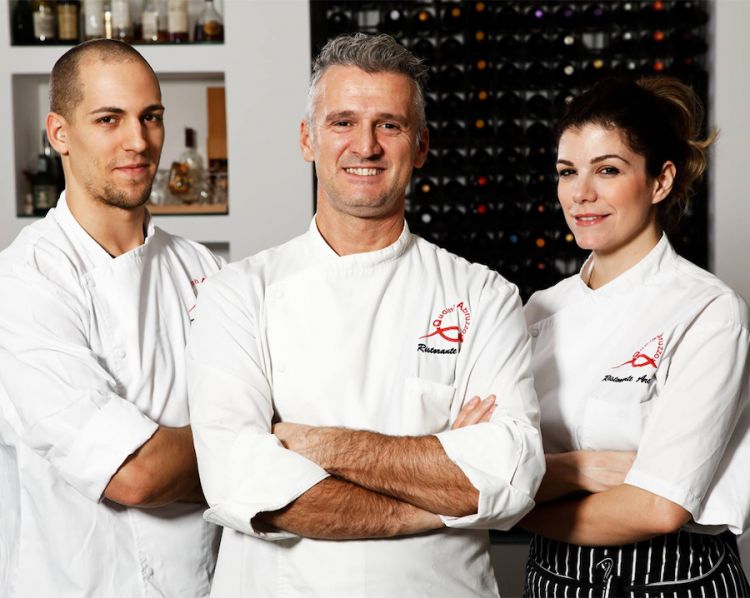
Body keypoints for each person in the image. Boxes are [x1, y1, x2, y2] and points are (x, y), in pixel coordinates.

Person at [186, 32, 544, 597]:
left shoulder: (483, 296)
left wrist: (317, 446)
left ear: (420, 145)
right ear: (308, 139)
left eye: (390, 125)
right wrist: (437, 497)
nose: (366, 146)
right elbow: (241, 481)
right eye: (343, 122)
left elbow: (509, 477)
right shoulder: (238, 294)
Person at [0, 40, 222, 597]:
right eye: (109, 119)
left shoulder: (207, 273)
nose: (139, 141)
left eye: (151, 117)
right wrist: (243, 447)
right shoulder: (25, 281)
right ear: (59, 135)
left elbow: (287, 411)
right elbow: (134, 474)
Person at [521, 76, 750, 597]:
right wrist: (581, 469)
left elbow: (658, 506)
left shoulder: (709, 312)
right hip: (550, 580)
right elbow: (485, 459)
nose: (581, 194)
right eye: (567, 172)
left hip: (676, 580)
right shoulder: (539, 310)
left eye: (607, 170)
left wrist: (511, 511)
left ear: (661, 181)